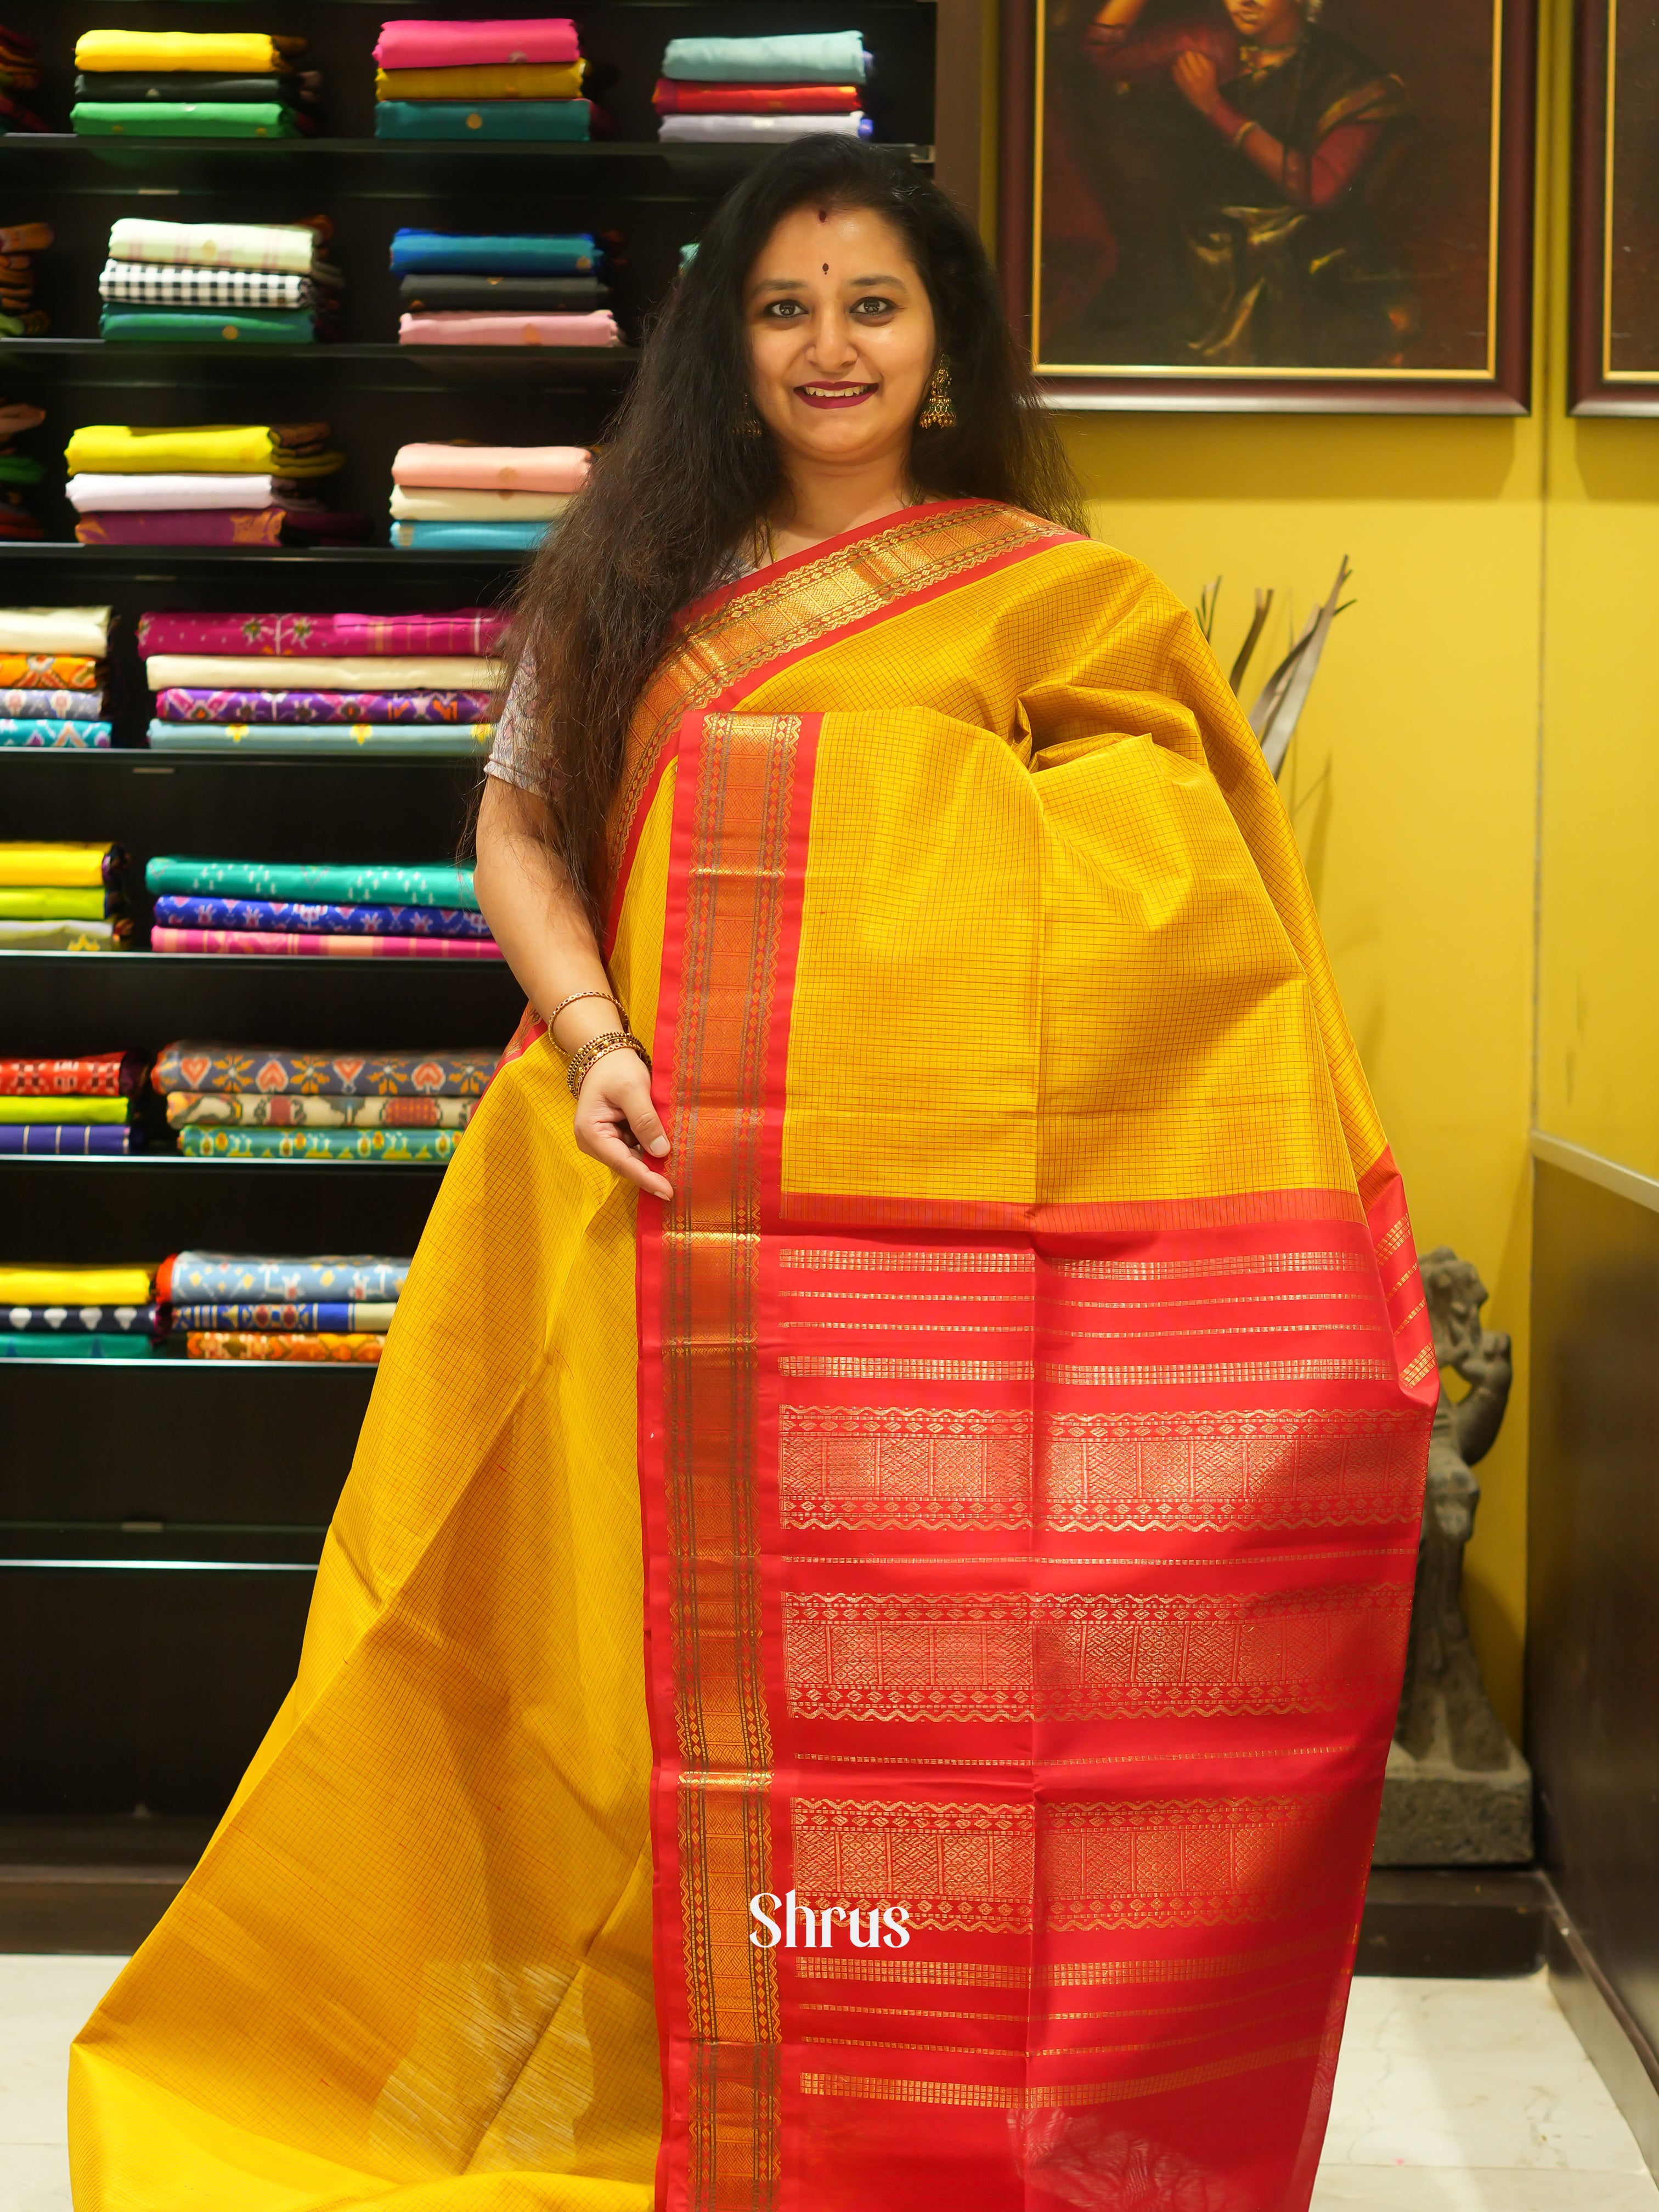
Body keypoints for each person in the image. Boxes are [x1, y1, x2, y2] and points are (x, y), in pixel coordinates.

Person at [67, 138, 1434, 2210]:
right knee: (587, 1674)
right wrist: (600, 1034)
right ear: (727, 341)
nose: (828, 347)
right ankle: (635, 2075)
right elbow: (519, 827)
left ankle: (903, 2082)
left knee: (917, 1679)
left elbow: (1168, 897)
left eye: (871, 304)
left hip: (915, 1267)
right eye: (784, 308)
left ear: (944, 341)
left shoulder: (1045, 594)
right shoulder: (634, 572)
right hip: (632, 1191)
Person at [1045, 0, 1415, 366]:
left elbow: (1317, 189)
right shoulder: (1208, 40)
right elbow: (1100, 50)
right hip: (1199, 249)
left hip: (1302, 257)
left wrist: (1213, 106)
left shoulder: (1352, 79)